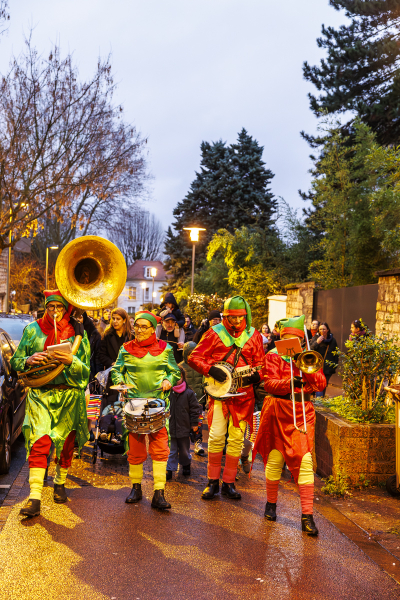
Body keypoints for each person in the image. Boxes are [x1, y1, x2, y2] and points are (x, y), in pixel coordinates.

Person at [10, 289, 90, 518]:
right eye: (51, 307)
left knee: (66, 445)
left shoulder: (77, 335)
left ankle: (60, 481)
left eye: (60, 308)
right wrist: (28, 359)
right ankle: (34, 496)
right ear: (45, 307)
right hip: (41, 395)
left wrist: (71, 361)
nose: (55, 312)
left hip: (69, 397)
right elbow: (16, 361)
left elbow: (85, 373)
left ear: (67, 310)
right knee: (39, 443)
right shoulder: (32, 329)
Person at [253, 315, 326, 536]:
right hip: (277, 410)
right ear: (281, 339)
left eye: (295, 340)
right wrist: (289, 382)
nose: (291, 345)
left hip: (302, 412)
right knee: (274, 459)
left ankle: (307, 516)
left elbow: (320, 384)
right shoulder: (272, 357)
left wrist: (303, 367)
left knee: (304, 461)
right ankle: (271, 504)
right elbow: (268, 384)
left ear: (301, 341)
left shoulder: (308, 357)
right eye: (287, 340)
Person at [188, 296, 264, 501]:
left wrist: (258, 375)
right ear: (225, 316)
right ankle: (212, 482)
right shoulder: (214, 333)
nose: (237, 322)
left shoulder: (254, 336)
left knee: (237, 440)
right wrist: (210, 369)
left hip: (244, 396)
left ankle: (229, 482)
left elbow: (261, 363)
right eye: (232, 318)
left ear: (245, 315)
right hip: (220, 395)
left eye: (240, 318)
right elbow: (193, 357)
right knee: (215, 437)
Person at [111, 310, 181, 510]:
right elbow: (117, 370)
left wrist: (169, 380)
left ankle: (159, 492)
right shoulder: (126, 348)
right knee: (135, 448)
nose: (138, 330)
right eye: (136, 326)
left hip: (158, 405)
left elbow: (175, 371)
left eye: (143, 327)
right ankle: (136, 487)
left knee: (160, 449)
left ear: (153, 329)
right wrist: (120, 382)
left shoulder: (165, 348)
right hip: (133, 405)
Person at [166, 366, 202, 480]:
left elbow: (195, 409)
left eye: (179, 377)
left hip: (184, 428)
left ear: (183, 377)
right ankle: (170, 469)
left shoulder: (189, 393)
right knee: (171, 451)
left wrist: (194, 423)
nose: (177, 379)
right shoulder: (168, 392)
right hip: (171, 428)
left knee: (184, 450)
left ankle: (186, 464)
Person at [180, 341, 206, 456]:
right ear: (185, 354)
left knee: (198, 422)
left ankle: (198, 442)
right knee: (184, 423)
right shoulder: (180, 367)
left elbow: (205, 381)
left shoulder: (201, 365)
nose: (192, 355)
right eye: (189, 353)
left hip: (199, 399)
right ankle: (184, 445)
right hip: (185, 400)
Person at [310, 322, 339, 397]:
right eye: (320, 329)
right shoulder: (316, 338)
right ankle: (319, 401)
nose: (322, 331)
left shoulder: (333, 340)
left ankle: (320, 400)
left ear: (328, 330)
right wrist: (317, 342)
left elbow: (336, 353)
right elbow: (310, 349)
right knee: (319, 384)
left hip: (328, 367)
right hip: (318, 366)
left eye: (324, 329)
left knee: (324, 384)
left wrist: (334, 365)